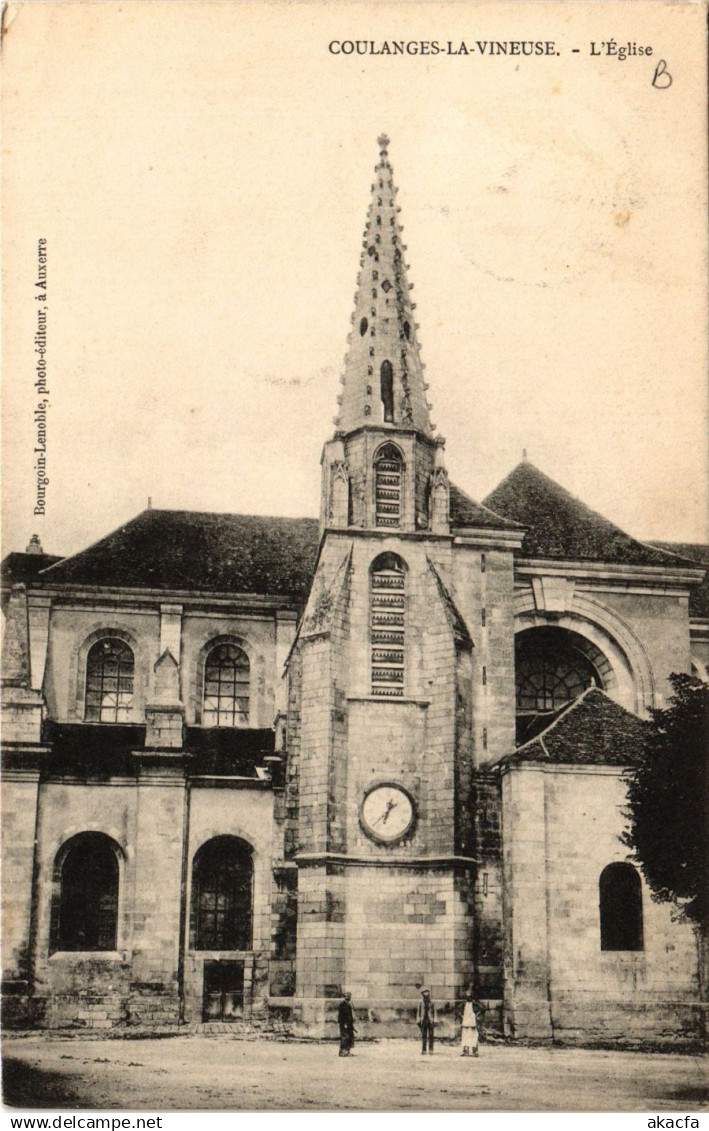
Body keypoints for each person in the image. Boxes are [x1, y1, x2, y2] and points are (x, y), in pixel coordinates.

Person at [416, 988, 436, 1054]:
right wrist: (418, 1020)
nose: (426, 996)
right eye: (424, 994)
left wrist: (435, 1020)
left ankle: (431, 1050)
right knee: (424, 1036)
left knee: (431, 1036)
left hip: (430, 1021)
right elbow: (418, 1012)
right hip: (423, 1020)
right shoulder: (421, 1003)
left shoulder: (432, 1003)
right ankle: (424, 1050)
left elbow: (435, 1012)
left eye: (427, 994)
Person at [460, 991, 480, 1057]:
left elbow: (482, 1009)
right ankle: (466, 1051)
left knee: (474, 1036)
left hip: (472, 1022)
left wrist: (476, 1015)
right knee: (465, 1036)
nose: (468, 998)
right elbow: (457, 1009)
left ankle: (475, 1051)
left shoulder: (474, 1004)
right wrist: (461, 1015)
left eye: (470, 996)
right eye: (467, 996)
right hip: (465, 1021)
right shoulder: (463, 1004)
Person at [338, 991, 356, 1056]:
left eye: (349, 996)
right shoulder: (342, 1005)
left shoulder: (349, 1004)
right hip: (344, 1024)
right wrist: (344, 1024)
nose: (348, 997)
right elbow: (341, 1016)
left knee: (349, 1038)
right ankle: (342, 1052)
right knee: (345, 1038)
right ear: (344, 997)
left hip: (349, 1024)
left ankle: (347, 1052)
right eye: (347, 996)